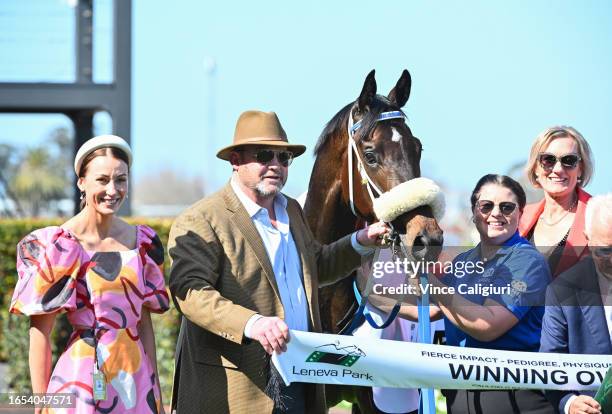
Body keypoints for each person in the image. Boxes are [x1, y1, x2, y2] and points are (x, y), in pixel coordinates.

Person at [168, 110, 389, 414]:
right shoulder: (202, 218)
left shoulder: (293, 211)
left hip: (300, 378)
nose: (275, 165)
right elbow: (190, 293)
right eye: (263, 155)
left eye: (283, 158)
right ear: (235, 160)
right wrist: (251, 323)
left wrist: (360, 242)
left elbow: (315, 267)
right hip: (237, 392)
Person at [9, 135, 170, 413]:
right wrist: (40, 404)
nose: (113, 189)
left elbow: (143, 324)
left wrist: (154, 391)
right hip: (79, 380)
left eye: (121, 179)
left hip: (134, 379)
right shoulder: (59, 245)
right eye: (102, 179)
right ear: (81, 182)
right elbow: (40, 333)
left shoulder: (141, 242)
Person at [426, 174, 553, 413]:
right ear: (474, 212)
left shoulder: (527, 260)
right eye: (486, 206)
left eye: (507, 207)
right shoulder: (464, 261)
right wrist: (370, 287)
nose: (496, 213)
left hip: (514, 398)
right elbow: (431, 308)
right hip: (461, 394)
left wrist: (427, 280)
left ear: (520, 213)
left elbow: (487, 326)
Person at [540, 193, 612, 414]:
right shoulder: (562, 292)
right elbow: (549, 365)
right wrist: (570, 403)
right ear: (587, 239)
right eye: (604, 250)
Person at [520, 126, 594, 277]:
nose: (558, 169)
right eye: (548, 159)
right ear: (535, 167)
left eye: (569, 160)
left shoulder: (600, 216)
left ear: (580, 168)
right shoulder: (519, 217)